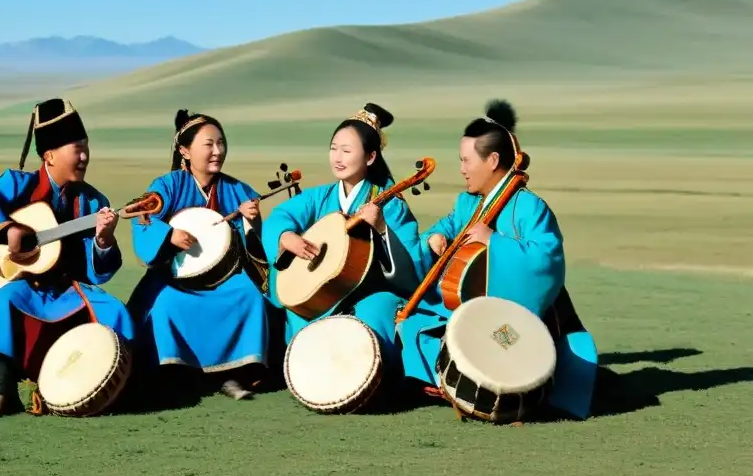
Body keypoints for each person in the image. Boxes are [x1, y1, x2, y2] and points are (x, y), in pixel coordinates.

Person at [0, 98, 134, 419]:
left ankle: (117, 389)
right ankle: (2, 389)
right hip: (22, 285)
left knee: (114, 310)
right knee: (3, 299)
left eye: (86, 147)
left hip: (65, 289)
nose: (85, 156)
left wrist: (103, 239)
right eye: (76, 148)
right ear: (49, 155)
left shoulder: (94, 201)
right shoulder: (20, 184)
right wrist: (8, 231)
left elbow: (98, 273)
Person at [396, 99, 599, 420]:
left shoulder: (530, 207)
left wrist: (495, 242)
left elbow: (547, 259)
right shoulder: (468, 203)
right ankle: (443, 383)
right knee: (414, 323)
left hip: (521, 312)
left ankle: (499, 393)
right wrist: (435, 237)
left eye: (466, 160)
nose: (461, 169)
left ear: (492, 160)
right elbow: (449, 225)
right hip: (469, 302)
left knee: (501, 340)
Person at [261, 103, 427, 376]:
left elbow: (412, 266)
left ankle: (371, 379)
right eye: (333, 148)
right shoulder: (321, 197)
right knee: (297, 303)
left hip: (369, 292)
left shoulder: (391, 204)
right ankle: (307, 374)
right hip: (323, 289)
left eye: (347, 151)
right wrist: (286, 236)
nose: (337, 157)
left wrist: (383, 228)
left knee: (374, 312)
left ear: (371, 157)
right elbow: (281, 215)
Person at [127, 109, 273, 401]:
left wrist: (251, 221)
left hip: (225, 277)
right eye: (209, 144)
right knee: (166, 303)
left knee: (249, 294)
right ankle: (177, 374)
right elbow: (140, 214)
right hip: (175, 278)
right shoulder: (167, 186)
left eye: (221, 143)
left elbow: (257, 241)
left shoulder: (237, 189)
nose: (217, 151)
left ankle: (232, 374)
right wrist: (169, 236)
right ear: (185, 150)